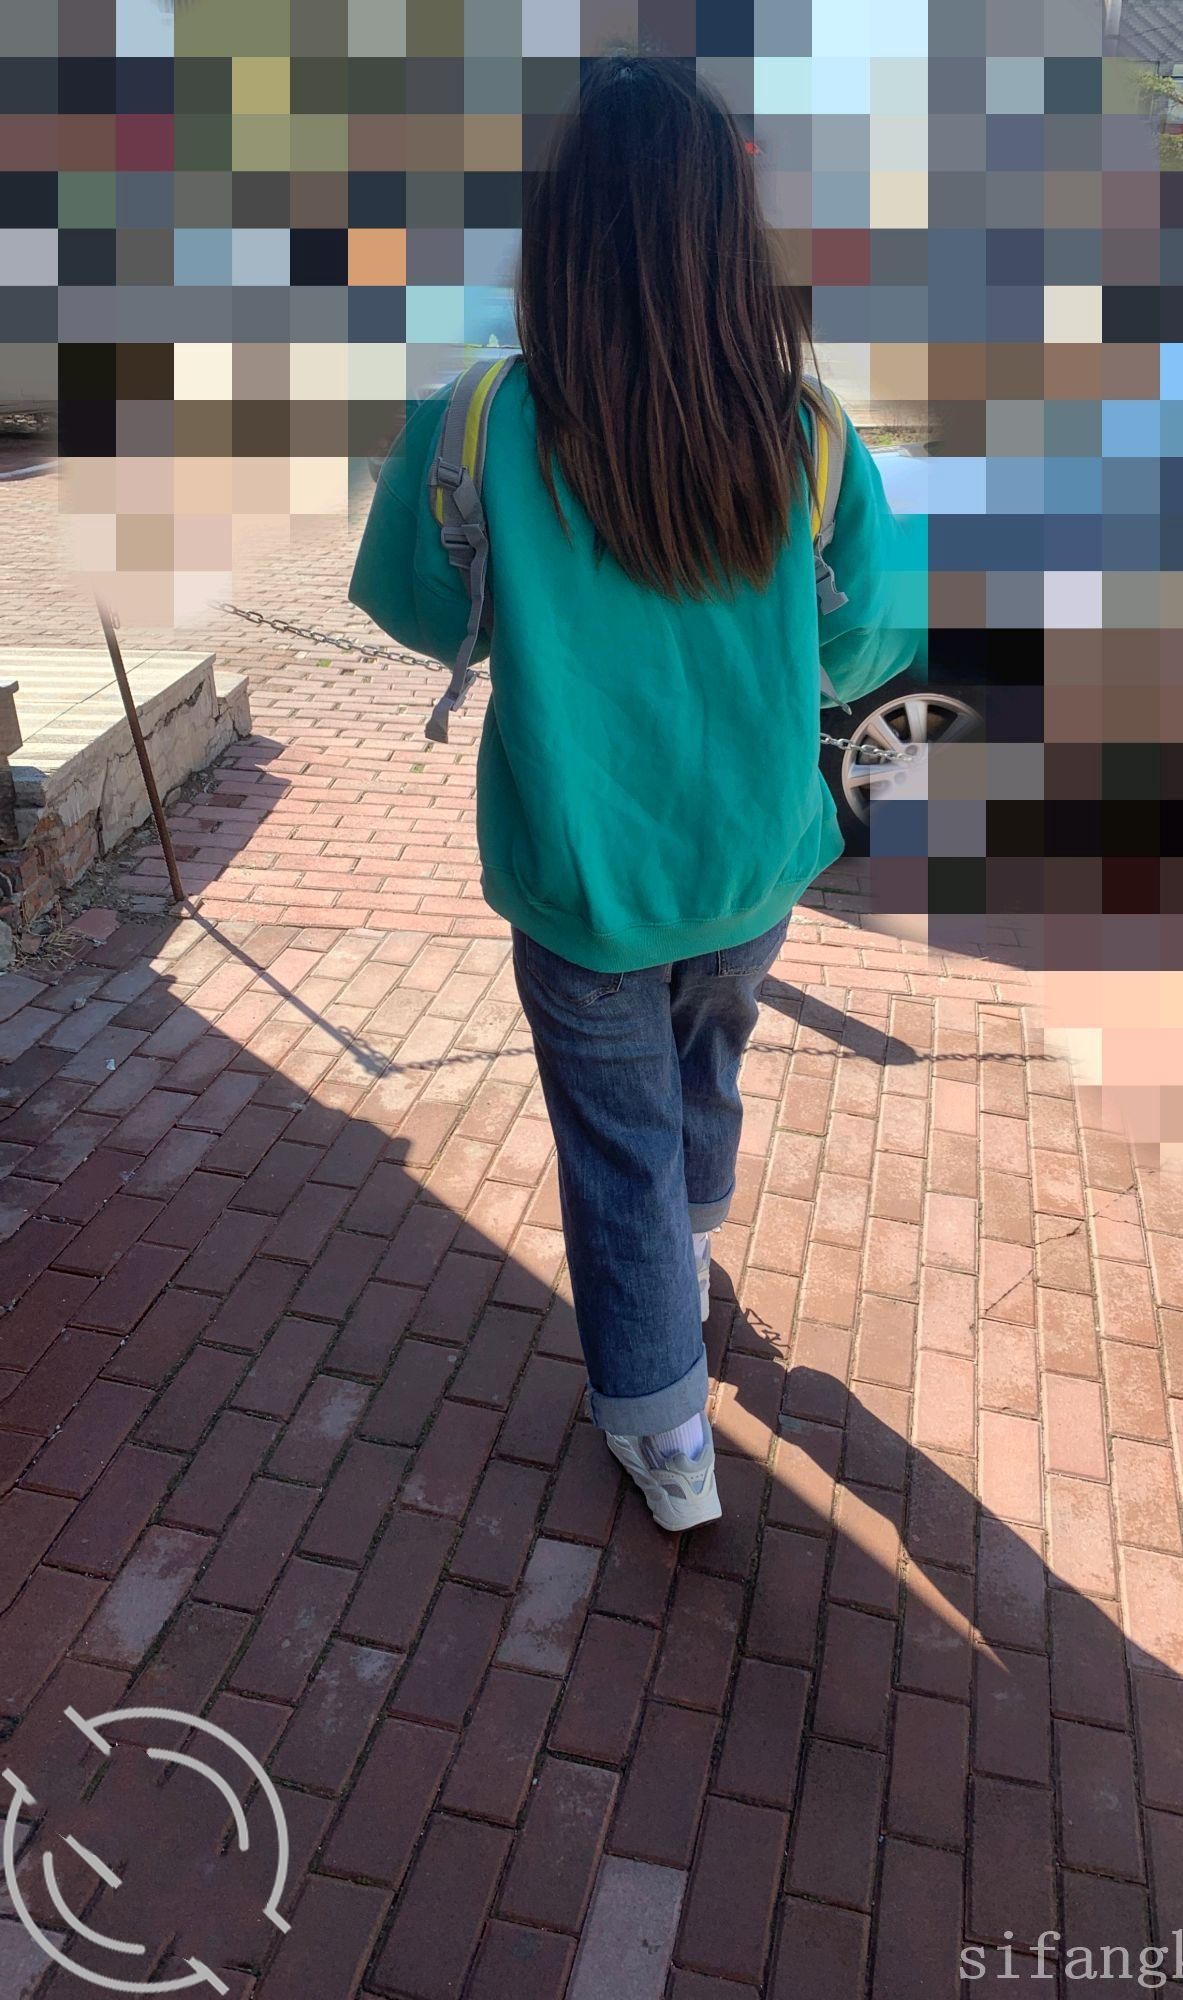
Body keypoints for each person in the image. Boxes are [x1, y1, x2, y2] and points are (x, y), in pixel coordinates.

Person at [349, 53, 924, 1532]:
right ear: (728, 232)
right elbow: (870, 642)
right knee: (707, 1064)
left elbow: (416, 607)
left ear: (560, 228)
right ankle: (695, 1245)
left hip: (582, 876)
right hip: (754, 866)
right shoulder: (806, 430)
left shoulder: (479, 419)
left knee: (614, 1148)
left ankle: (669, 1444)